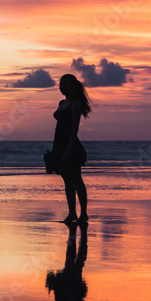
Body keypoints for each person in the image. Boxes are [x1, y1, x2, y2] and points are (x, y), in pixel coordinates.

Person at [53, 73, 91, 223]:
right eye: (61, 84)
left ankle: (84, 214)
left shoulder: (75, 104)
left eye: (65, 84)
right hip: (59, 143)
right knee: (67, 180)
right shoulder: (61, 103)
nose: (62, 87)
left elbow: (75, 128)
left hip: (71, 144)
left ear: (72, 86)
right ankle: (72, 213)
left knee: (77, 179)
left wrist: (69, 149)